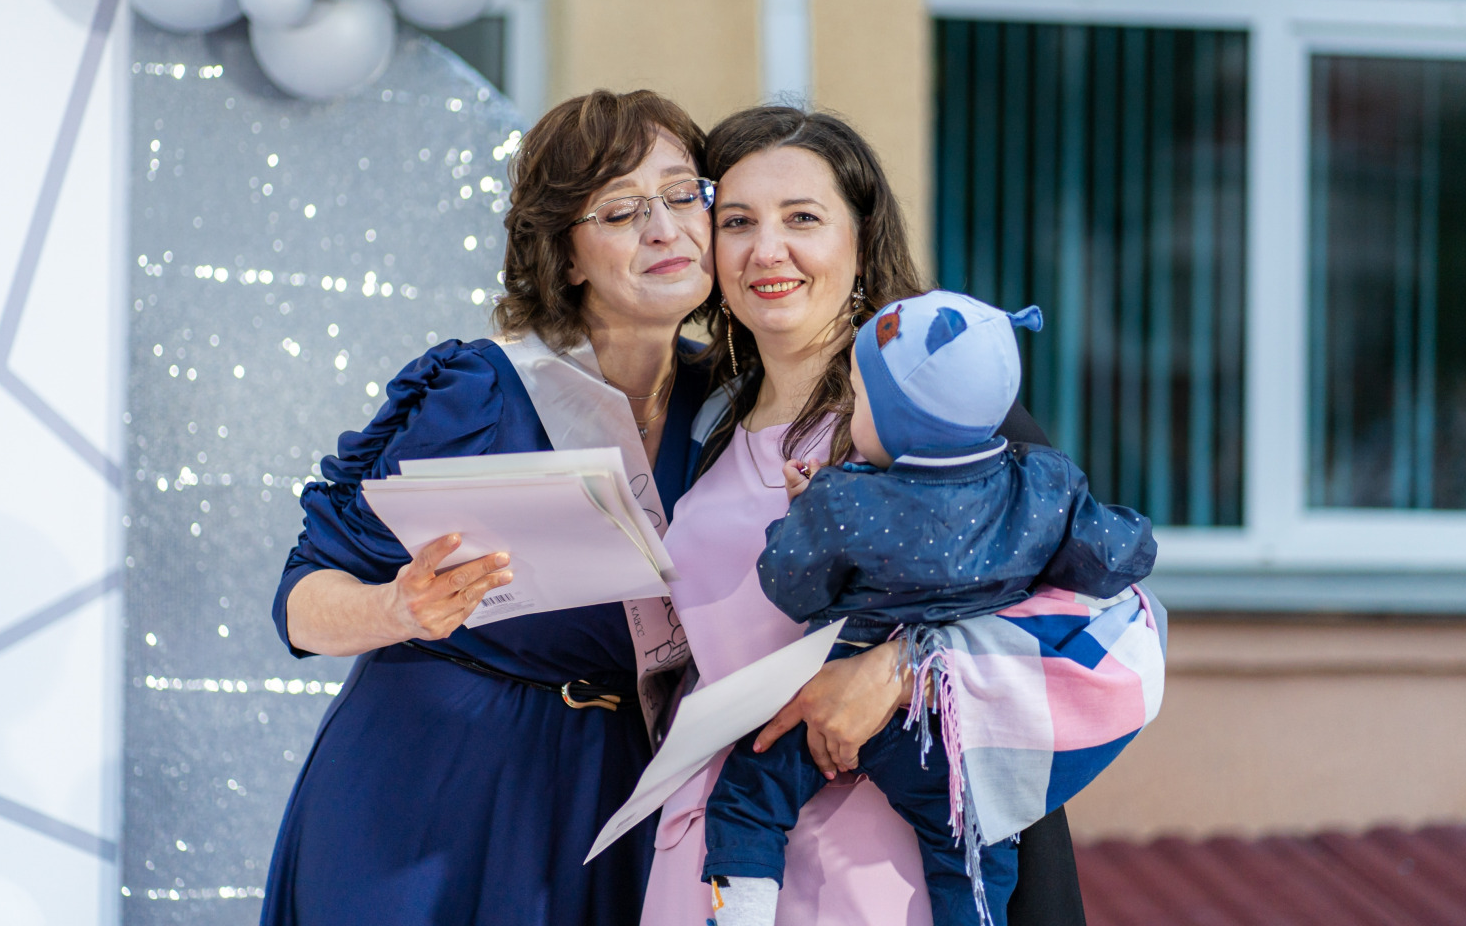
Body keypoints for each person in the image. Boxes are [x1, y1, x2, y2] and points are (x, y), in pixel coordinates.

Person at [642, 107, 1164, 926]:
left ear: (861, 238)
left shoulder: (940, 418)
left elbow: (1117, 625)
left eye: (802, 219)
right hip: (724, 860)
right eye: (736, 221)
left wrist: (902, 669)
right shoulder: (700, 411)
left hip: (892, 866)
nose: (764, 250)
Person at [260, 89, 718, 926]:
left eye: (684, 194)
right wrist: (399, 605)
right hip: (427, 792)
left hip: (616, 804)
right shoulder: (477, 393)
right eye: (621, 210)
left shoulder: (735, 408)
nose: (666, 229)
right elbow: (300, 604)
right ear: (566, 256)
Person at [701, 292, 1159, 926]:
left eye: (861, 399)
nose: (855, 411)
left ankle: (739, 913)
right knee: (976, 861)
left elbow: (790, 586)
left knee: (750, 793)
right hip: (967, 732)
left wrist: (805, 512)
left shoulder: (848, 502)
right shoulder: (1043, 486)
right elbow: (1114, 558)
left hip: (845, 689)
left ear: (896, 418)